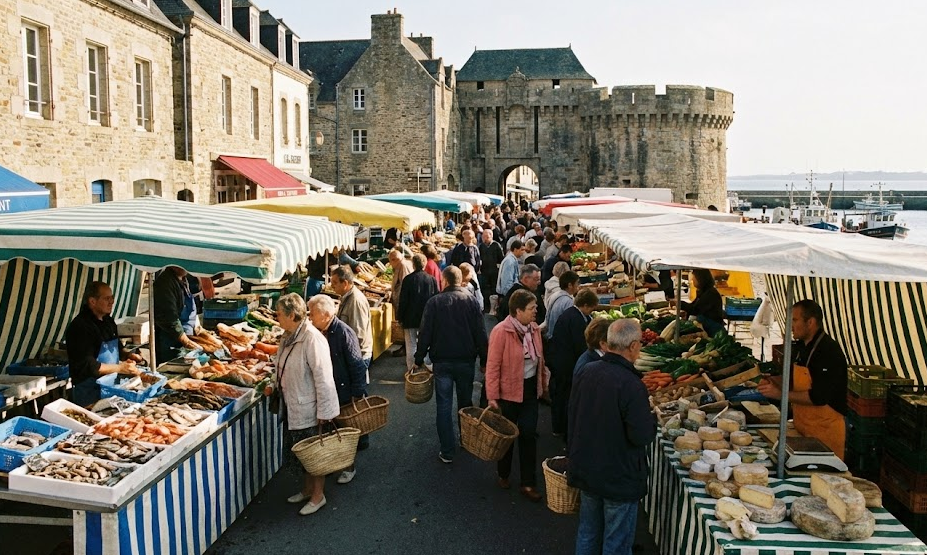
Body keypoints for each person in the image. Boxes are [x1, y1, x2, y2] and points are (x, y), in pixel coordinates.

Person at [569, 319, 656, 555]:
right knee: (616, 543)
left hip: (588, 469)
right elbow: (641, 435)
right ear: (633, 346)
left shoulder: (587, 370)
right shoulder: (631, 384)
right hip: (619, 476)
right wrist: (653, 421)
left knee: (588, 532)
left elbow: (574, 415)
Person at [273, 293, 340, 516]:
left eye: (280, 314)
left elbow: (324, 377)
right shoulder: (287, 336)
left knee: (314, 454)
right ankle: (307, 488)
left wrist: (325, 411)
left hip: (309, 407)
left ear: (292, 315)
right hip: (293, 404)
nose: (277, 317)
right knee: (301, 454)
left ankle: (318, 495)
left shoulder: (312, 338)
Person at [414, 266, 488, 464]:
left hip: (443, 362)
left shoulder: (434, 302)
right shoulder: (471, 301)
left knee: (444, 406)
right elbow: (480, 333)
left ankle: (447, 450)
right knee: (465, 403)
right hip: (466, 360)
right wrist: (485, 359)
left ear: (444, 281)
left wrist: (419, 358)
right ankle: (466, 440)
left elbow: (425, 333)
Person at [757, 299, 848, 459]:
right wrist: (773, 381)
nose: (790, 325)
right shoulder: (802, 347)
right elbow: (794, 381)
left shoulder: (827, 351)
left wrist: (780, 395)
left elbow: (818, 397)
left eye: (794, 320)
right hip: (804, 428)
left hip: (825, 433)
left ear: (811, 322)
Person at [485, 289, 548, 502]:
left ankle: (528, 483)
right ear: (518, 310)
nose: (535, 311)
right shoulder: (501, 332)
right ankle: (503, 473)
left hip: (529, 391)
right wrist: (492, 396)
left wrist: (543, 385)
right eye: (531, 308)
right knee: (508, 437)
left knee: (529, 435)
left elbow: (540, 360)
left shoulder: (534, 329)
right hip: (508, 393)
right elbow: (492, 366)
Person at [307, 294, 368, 481]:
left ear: (325, 315)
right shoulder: (320, 331)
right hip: (330, 387)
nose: (310, 317)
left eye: (313, 314)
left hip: (343, 389)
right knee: (332, 429)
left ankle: (349, 468)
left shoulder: (343, 332)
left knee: (343, 430)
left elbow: (357, 365)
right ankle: (336, 463)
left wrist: (357, 393)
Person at [65, 281, 143, 406]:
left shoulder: (108, 321)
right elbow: (88, 365)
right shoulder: (80, 327)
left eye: (112, 298)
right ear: (92, 301)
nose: (111, 302)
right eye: (107, 298)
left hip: (110, 386)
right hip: (89, 391)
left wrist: (127, 355)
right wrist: (120, 368)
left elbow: (117, 347)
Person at [548, 288, 599, 440]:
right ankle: (563, 429)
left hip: (561, 363)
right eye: (591, 308)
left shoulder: (572, 314)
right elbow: (580, 346)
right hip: (565, 366)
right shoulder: (575, 319)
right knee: (564, 397)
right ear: (585, 305)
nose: (591, 312)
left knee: (561, 396)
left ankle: (560, 427)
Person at [397, 254, 439, 372]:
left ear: (413, 264)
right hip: (427, 317)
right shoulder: (432, 279)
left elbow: (403, 300)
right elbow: (436, 298)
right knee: (426, 343)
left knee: (411, 345)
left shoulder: (408, 279)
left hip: (410, 317)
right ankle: (426, 369)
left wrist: (400, 317)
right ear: (425, 264)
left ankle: (411, 370)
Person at [153, 266, 201, 364]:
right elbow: (169, 318)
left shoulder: (184, 279)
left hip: (186, 335)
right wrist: (186, 342)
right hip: (170, 342)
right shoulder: (165, 283)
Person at [331, 266, 373, 368]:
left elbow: (359, 334)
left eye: (335, 283)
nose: (332, 286)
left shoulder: (355, 301)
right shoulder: (346, 296)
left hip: (357, 356)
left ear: (345, 283)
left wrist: (349, 355)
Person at [678, 268, 725, 336]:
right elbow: (693, 306)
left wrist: (679, 303)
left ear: (701, 279)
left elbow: (696, 310)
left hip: (713, 328)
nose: (692, 280)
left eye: (694, 278)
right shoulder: (703, 291)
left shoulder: (710, 293)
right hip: (706, 327)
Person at [388, 249, 414, 358]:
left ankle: (405, 348)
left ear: (395, 259)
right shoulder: (405, 263)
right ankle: (406, 347)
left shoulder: (402, 266)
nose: (390, 264)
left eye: (391, 261)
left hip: (402, 300)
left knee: (405, 327)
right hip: (404, 299)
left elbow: (403, 284)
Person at [542, 271, 580, 339]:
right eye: (577, 283)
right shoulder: (568, 302)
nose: (578, 286)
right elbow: (571, 325)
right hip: (561, 340)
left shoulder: (555, 295)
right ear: (570, 285)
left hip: (552, 337)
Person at [478, 229, 504, 312]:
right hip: (484, 271)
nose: (485, 239)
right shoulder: (481, 246)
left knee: (494, 288)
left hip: (494, 272)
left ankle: (494, 306)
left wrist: (498, 268)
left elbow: (501, 258)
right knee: (485, 288)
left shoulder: (496, 245)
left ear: (491, 236)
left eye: (487, 237)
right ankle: (486, 306)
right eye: (484, 237)